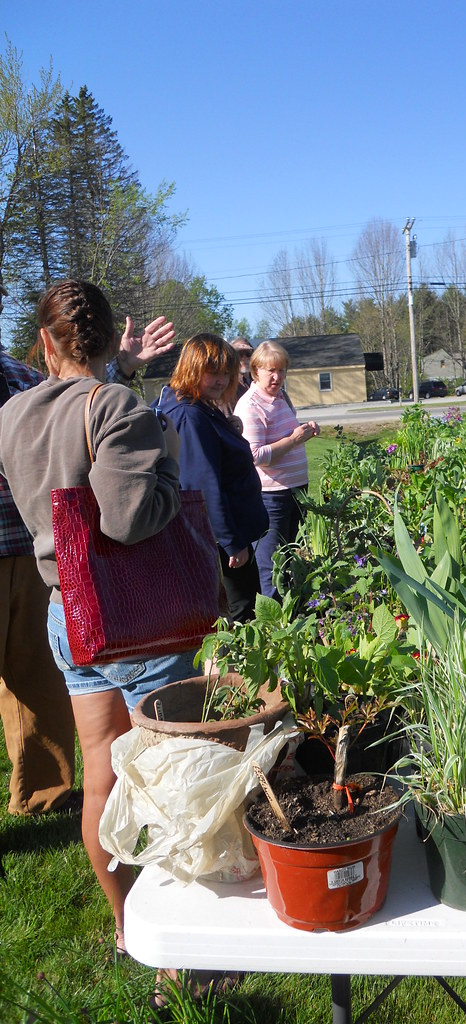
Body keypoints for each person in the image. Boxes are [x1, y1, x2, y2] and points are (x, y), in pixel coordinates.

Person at [0, 280, 196, 956]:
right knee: (174, 779)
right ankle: (180, 954)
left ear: (47, 342)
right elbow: (129, 518)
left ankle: (124, 925)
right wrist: (168, 469)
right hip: (134, 619)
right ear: (113, 340)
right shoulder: (117, 405)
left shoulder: (13, 414)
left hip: (67, 611)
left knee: (101, 778)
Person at [0, 314, 175, 817]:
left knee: (41, 689)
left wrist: (116, 366)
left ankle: (44, 795)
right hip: (63, 560)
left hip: (41, 560)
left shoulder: (19, 379)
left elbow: (74, 402)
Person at [155, 334, 267, 621]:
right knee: (241, 618)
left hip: (219, 538)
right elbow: (202, 487)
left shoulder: (190, 404)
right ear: (191, 370)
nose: (221, 381)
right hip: (220, 544)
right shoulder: (190, 414)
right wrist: (231, 542)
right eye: (213, 373)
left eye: (226, 374)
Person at [234, 340, 320, 600]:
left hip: (293, 491)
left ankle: (291, 612)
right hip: (271, 496)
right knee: (271, 563)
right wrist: (294, 439)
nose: (277, 376)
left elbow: (285, 436)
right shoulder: (251, 406)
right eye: (270, 370)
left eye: (281, 370)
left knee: (290, 556)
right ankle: (273, 622)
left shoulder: (280, 397)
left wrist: (305, 432)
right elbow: (255, 456)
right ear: (255, 371)